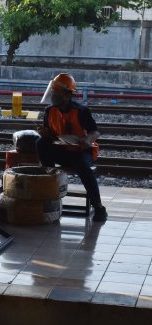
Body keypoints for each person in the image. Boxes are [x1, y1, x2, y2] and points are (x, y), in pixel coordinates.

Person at [36, 73, 107, 222]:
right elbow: (50, 135)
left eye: (56, 91)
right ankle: (49, 185)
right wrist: (44, 134)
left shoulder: (81, 111)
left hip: (80, 152)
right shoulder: (50, 111)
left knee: (83, 167)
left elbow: (96, 131)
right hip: (61, 150)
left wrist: (88, 139)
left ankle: (99, 207)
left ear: (67, 95)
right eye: (53, 90)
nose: (53, 94)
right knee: (40, 143)